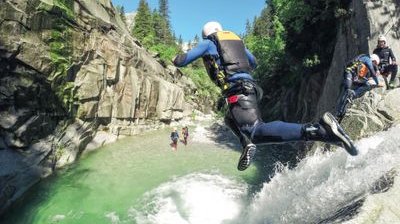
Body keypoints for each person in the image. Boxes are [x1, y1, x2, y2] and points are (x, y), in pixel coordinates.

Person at [173, 21, 358, 171]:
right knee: (229, 117)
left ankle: (319, 130)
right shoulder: (236, 41)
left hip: (237, 91)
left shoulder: (209, 43)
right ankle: (246, 144)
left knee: (255, 130)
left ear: (207, 33)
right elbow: (253, 62)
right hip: (249, 88)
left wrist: (175, 58)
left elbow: (182, 61)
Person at [336, 54, 382, 122]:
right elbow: (372, 71)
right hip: (349, 73)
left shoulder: (365, 65)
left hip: (354, 77)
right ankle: (338, 113)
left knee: (367, 85)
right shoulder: (367, 59)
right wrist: (377, 82)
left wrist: (367, 79)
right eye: (375, 63)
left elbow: (361, 75)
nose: (374, 65)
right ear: (373, 60)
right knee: (347, 90)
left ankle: (353, 94)